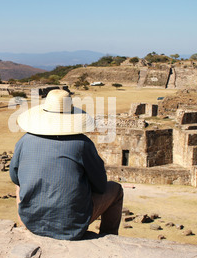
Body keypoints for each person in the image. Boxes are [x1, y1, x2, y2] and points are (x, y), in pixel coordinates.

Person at [9, 89, 123, 240]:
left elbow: (15, 177)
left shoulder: (24, 141)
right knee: (116, 190)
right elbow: (100, 186)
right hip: (71, 225)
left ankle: (25, 221)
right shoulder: (82, 144)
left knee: (19, 185)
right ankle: (110, 238)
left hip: (30, 221)